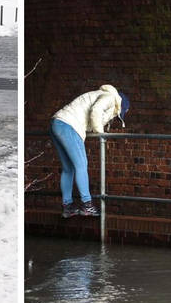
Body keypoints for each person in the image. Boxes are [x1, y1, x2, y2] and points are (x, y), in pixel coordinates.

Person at [51, 84, 130, 218]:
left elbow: (92, 117)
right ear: (121, 106)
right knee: (81, 165)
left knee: (68, 169)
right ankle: (87, 204)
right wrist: (101, 133)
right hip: (69, 126)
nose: (115, 117)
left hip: (57, 123)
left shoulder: (99, 94)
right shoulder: (110, 97)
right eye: (118, 115)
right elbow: (96, 111)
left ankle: (68, 206)